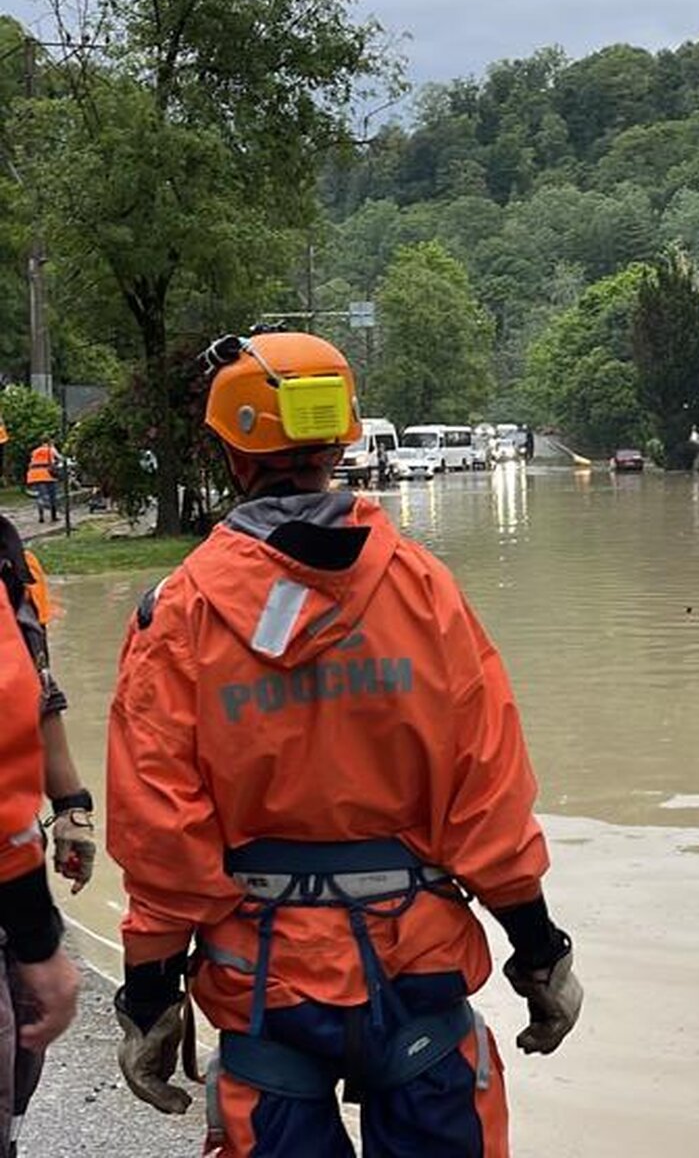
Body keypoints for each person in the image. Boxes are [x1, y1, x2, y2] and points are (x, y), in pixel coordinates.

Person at [106, 331, 582, 1157]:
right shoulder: (423, 590)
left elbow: (161, 835)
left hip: (265, 987)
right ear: (341, 439)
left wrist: (150, 993)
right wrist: (540, 955)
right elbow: (487, 798)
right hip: (417, 972)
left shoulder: (175, 615)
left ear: (229, 452)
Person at [0, 519, 82, 1157]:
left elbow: (34, 692)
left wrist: (72, 805)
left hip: (9, 874)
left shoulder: (14, 568)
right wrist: (38, 938)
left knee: (19, 1065)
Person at [24, 437, 62, 525]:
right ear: (49, 443)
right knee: (52, 496)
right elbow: (59, 458)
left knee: (41, 495)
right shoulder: (50, 449)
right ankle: (53, 517)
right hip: (47, 474)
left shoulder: (35, 451)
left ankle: (41, 517)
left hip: (34, 475)